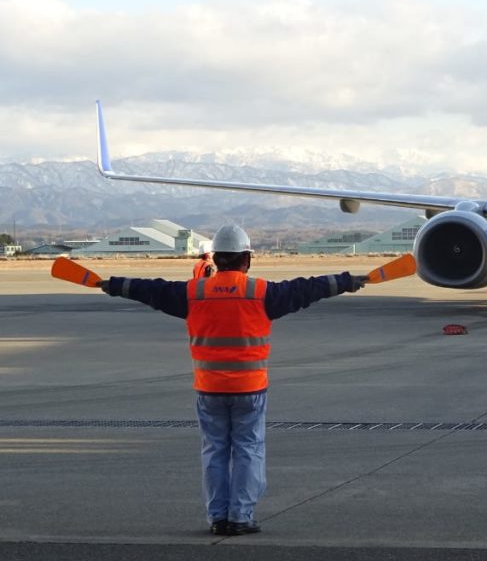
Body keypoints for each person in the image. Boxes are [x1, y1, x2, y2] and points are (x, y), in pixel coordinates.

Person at [97, 224, 367, 536]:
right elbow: (306, 288)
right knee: (248, 449)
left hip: (209, 389)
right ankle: (240, 516)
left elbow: (152, 290)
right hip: (249, 390)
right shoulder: (262, 293)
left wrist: (113, 283)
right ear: (246, 260)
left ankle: (217, 517)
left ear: (215, 258)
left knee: (214, 451)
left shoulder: (193, 293)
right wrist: (346, 281)